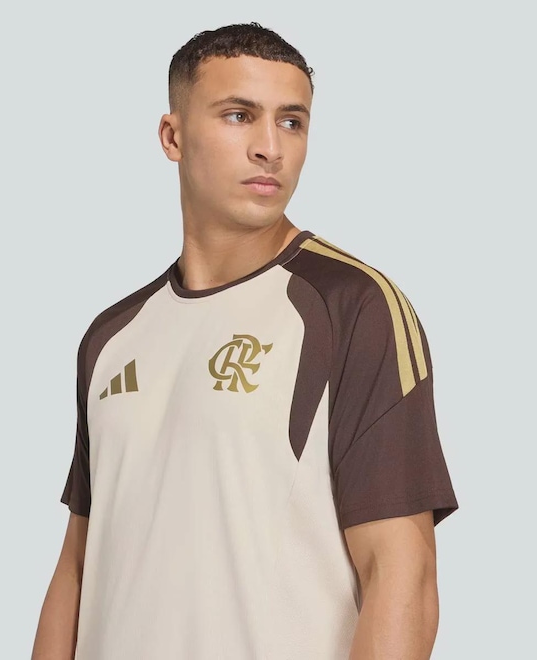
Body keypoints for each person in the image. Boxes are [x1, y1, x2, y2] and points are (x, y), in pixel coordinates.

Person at [31, 22, 458, 660]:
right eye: (239, 116)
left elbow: (403, 574)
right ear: (173, 136)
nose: (270, 148)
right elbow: (77, 564)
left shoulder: (352, 308)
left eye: (292, 122)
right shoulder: (111, 336)